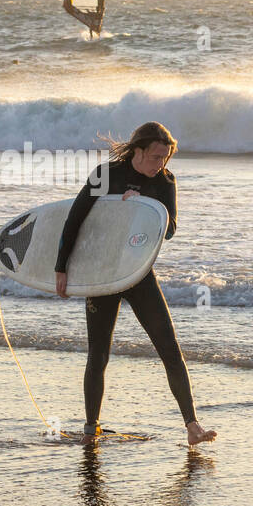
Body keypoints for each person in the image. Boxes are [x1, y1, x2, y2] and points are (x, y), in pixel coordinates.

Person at [55, 121, 217, 446]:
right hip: (104, 273)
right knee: (98, 353)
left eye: (166, 158)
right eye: (157, 157)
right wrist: (62, 268)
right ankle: (90, 429)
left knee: (170, 349)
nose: (162, 164)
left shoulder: (165, 181)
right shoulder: (107, 175)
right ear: (139, 151)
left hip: (138, 273)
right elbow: (76, 219)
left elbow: (168, 229)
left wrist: (144, 207)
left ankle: (192, 426)